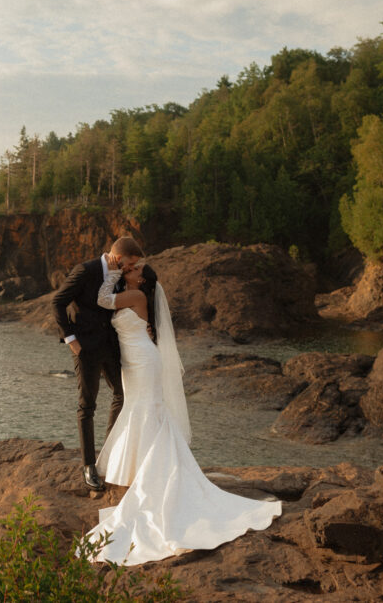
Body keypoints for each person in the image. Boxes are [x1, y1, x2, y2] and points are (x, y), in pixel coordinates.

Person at [85, 262, 282, 565]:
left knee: (146, 409)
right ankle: (140, 470)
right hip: (132, 362)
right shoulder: (132, 295)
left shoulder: (136, 295)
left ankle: (152, 472)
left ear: (141, 280)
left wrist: (111, 271)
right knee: (138, 409)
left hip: (143, 360)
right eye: (129, 268)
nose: (129, 271)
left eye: (133, 270)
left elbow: (102, 299)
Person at [52, 237, 143, 490]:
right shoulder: (85, 270)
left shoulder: (120, 274)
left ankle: (109, 452)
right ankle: (89, 466)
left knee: (123, 394)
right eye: (130, 263)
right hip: (85, 347)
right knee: (87, 404)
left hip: (112, 346)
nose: (130, 268)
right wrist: (71, 339)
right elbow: (58, 301)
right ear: (119, 257)